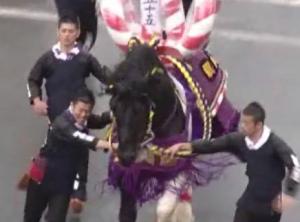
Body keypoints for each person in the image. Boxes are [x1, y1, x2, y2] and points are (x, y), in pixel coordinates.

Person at [26, 13, 109, 209]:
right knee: (49, 153)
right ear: (58, 32)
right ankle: (36, 182)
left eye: (71, 31)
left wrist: (119, 84)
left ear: (77, 33)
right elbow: (33, 79)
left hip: (79, 118)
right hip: (56, 120)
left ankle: (77, 194)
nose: (66, 35)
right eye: (63, 31)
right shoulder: (48, 59)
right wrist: (35, 100)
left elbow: (104, 76)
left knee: (80, 154)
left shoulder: (85, 58)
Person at [165, 102, 300, 222]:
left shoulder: (275, 144)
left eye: (246, 123)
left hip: (270, 207)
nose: (242, 126)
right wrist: (187, 146)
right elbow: (213, 145)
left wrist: (289, 193)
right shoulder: (241, 140)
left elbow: (295, 167)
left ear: (258, 125)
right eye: (242, 122)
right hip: (249, 201)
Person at [23, 88, 112, 222]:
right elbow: (78, 137)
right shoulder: (61, 122)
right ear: (72, 105)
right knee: (30, 218)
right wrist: (110, 145)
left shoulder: (85, 120)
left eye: (87, 112)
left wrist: (115, 113)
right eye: (80, 110)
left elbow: (100, 120)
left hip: (63, 184)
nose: (83, 115)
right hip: (41, 178)